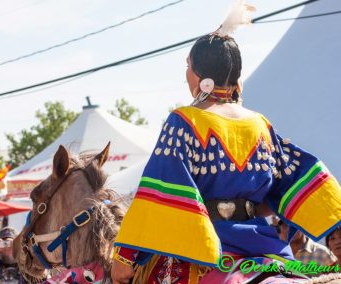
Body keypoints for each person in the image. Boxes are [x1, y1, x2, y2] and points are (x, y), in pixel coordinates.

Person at [110, 2, 341, 283]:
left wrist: (124, 257)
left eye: (188, 66)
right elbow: (292, 178)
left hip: (207, 249)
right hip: (264, 245)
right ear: (235, 78)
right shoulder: (260, 125)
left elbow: (156, 193)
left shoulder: (184, 122)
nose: (186, 74)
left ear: (199, 77)